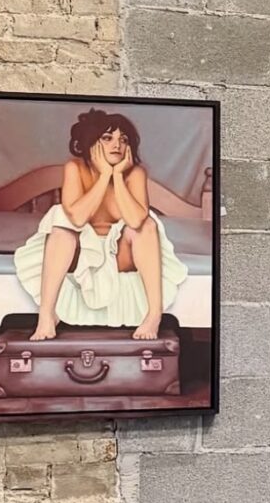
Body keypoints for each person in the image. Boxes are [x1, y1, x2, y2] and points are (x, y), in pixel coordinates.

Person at [14, 109, 187, 342]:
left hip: (121, 255)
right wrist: (104, 175)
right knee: (60, 224)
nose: (117, 145)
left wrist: (117, 177)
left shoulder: (135, 173)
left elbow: (136, 220)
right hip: (79, 254)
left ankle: (154, 314)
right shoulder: (74, 168)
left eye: (123, 139)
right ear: (92, 142)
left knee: (147, 225)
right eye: (107, 138)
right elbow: (77, 218)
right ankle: (46, 315)